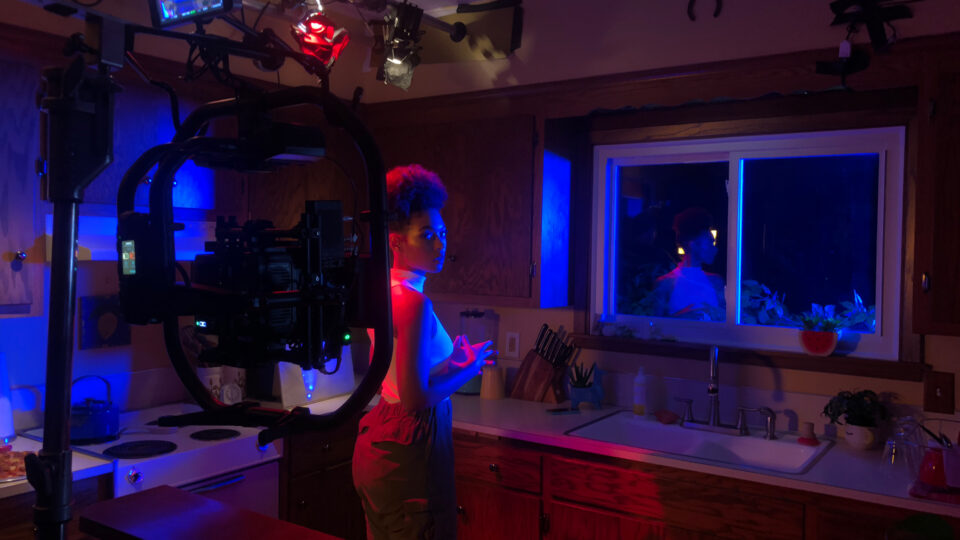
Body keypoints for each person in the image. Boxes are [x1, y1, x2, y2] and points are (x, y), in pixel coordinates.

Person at [352, 164, 493, 539]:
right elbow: (415, 399)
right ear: (396, 241)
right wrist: (471, 367)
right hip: (413, 438)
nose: (439, 244)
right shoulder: (414, 304)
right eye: (427, 235)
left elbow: (392, 372)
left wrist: (450, 362)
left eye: (442, 233)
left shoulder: (380, 291)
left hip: (381, 435)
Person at [651, 207, 726, 321]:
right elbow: (654, 327)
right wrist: (682, 318)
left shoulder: (716, 282)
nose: (715, 249)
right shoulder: (666, 283)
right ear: (692, 244)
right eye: (710, 243)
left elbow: (726, 322)